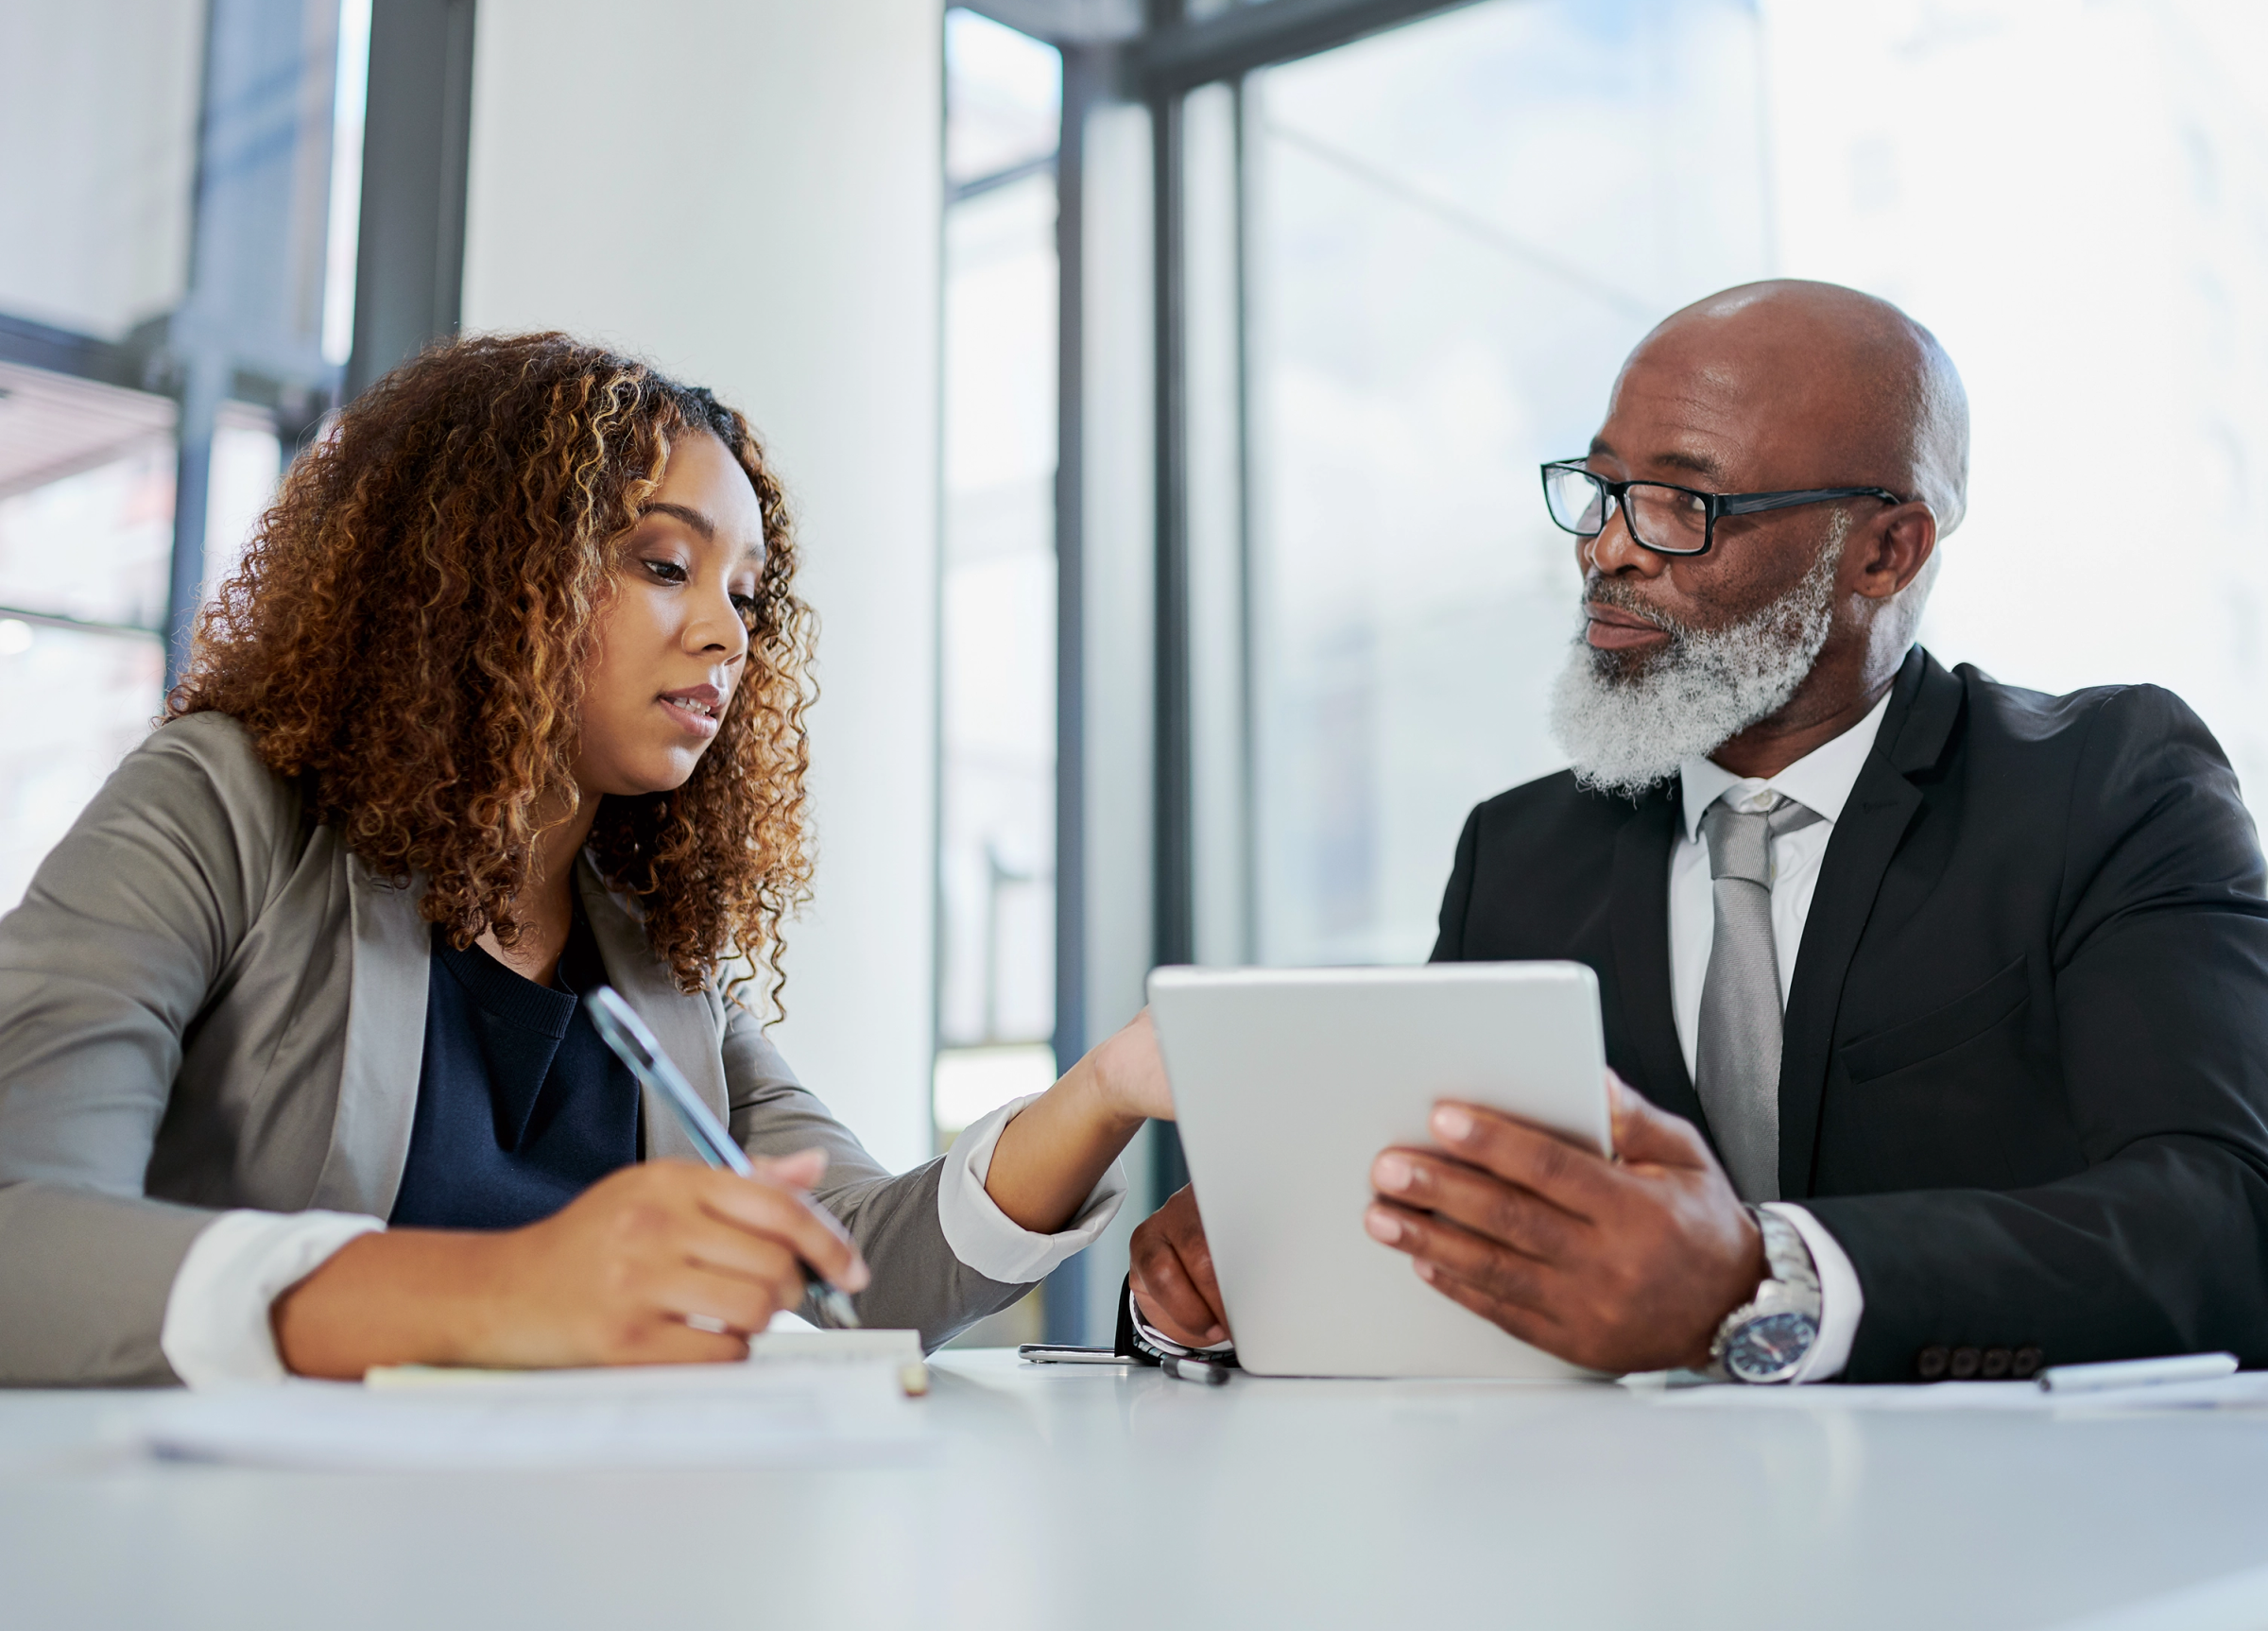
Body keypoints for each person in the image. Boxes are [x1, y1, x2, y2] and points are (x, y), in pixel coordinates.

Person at [1126, 280, 2268, 1383]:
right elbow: (1440, 1230)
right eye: (1602, 488)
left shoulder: (2108, 786)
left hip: (2019, 1544)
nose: (1607, 549)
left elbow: (2225, 1218)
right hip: (1621, 1545)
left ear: (1887, 552)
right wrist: (1241, 1284)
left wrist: (1763, 1280)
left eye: (1686, 504)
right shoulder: (1516, 856)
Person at [0, 333, 1165, 1387]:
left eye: (746, 596)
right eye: (664, 564)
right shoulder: (221, 807)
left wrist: (1106, 1090)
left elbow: (859, 1268)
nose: (724, 634)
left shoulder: (653, 950)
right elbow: (25, 1231)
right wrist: (505, 1295)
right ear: (487, 572)